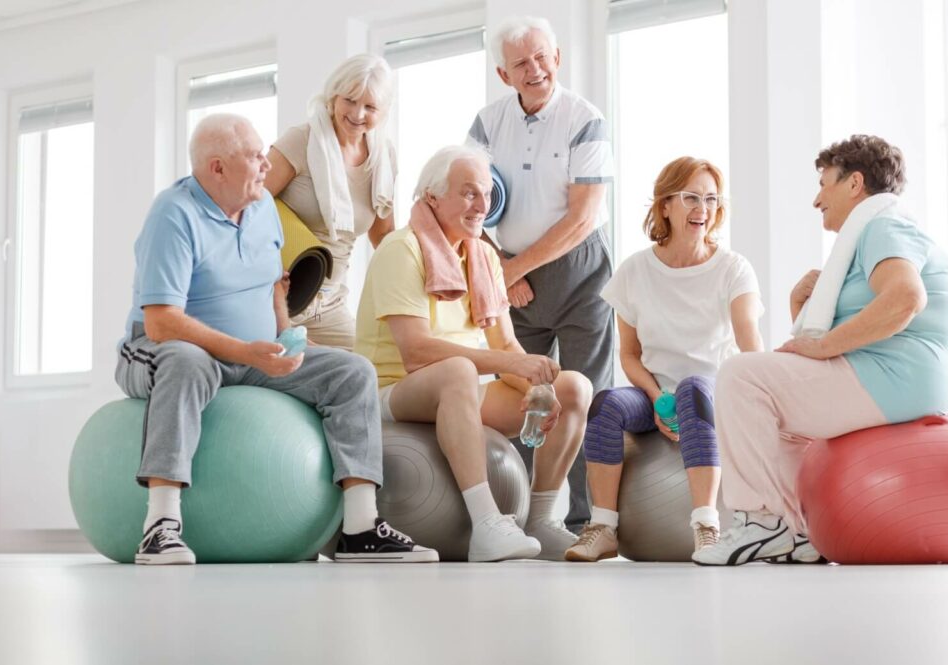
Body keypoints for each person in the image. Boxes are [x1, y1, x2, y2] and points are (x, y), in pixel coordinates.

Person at [117, 113, 436, 564]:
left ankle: (361, 527)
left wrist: (284, 332)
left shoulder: (264, 206)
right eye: (253, 156)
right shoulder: (173, 214)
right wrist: (246, 351)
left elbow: (273, 284)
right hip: (163, 350)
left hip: (251, 351)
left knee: (352, 371)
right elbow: (162, 323)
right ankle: (160, 527)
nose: (267, 164)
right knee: (185, 360)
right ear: (217, 168)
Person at [694, 134, 948, 566]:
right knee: (774, 420)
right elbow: (870, 316)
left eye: (825, 183)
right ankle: (800, 533)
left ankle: (762, 523)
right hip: (899, 375)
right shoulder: (872, 234)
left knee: (740, 375)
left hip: (900, 376)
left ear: (855, 184)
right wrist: (799, 309)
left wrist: (824, 346)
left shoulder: (883, 225)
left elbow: (905, 300)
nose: (817, 198)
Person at [354, 145, 593, 561]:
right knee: (459, 370)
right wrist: (509, 366)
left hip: (456, 390)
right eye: (468, 193)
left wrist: (535, 384)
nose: (482, 205)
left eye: (486, 194)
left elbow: (504, 344)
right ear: (432, 196)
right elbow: (417, 352)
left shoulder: (482, 255)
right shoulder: (401, 248)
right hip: (393, 390)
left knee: (573, 387)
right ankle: (486, 522)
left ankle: (538, 518)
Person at [564, 157, 764, 562]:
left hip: (712, 394)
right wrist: (655, 397)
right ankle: (603, 527)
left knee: (693, 390)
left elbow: (749, 345)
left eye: (710, 199)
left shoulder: (733, 269)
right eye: (691, 197)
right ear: (666, 204)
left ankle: (707, 525)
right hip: (656, 391)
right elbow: (629, 354)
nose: (702, 209)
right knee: (604, 405)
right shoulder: (635, 270)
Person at [466, 16, 614, 530]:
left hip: (577, 272)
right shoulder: (487, 123)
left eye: (542, 57)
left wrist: (511, 269)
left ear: (558, 58)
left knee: (587, 394)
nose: (535, 70)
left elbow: (583, 216)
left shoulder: (584, 118)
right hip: (514, 275)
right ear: (504, 75)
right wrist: (500, 268)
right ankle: (527, 517)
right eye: (521, 63)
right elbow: (467, 201)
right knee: (526, 399)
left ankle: (583, 522)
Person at [264, 54, 396, 349]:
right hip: (280, 295)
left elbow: (384, 236)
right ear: (333, 95)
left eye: (370, 106)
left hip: (331, 301)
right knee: (327, 370)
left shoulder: (383, 158)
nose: (358, 113)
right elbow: (246, 205)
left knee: (366, 371)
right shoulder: (300, 140)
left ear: (383, 111)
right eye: (349, 100)